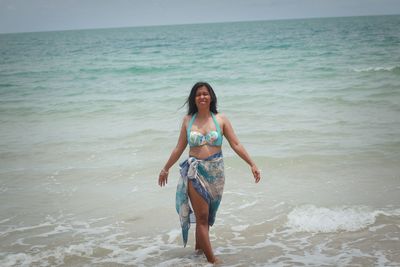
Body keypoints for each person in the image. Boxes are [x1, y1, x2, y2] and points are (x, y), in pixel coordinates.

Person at [158, 82, 261, 264]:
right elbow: (179, 147)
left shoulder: (220, 119)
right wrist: (165, 168)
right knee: (202, 217)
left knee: (207, 216)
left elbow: (236, 144)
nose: (202, 97)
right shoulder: (187, 120)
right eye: (198, 94)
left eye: (205, 93)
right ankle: (212, 260)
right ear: (194, 98)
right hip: (195, 172)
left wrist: (252, 164)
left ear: (211, 96)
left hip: (216, 173)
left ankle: (198, 253)